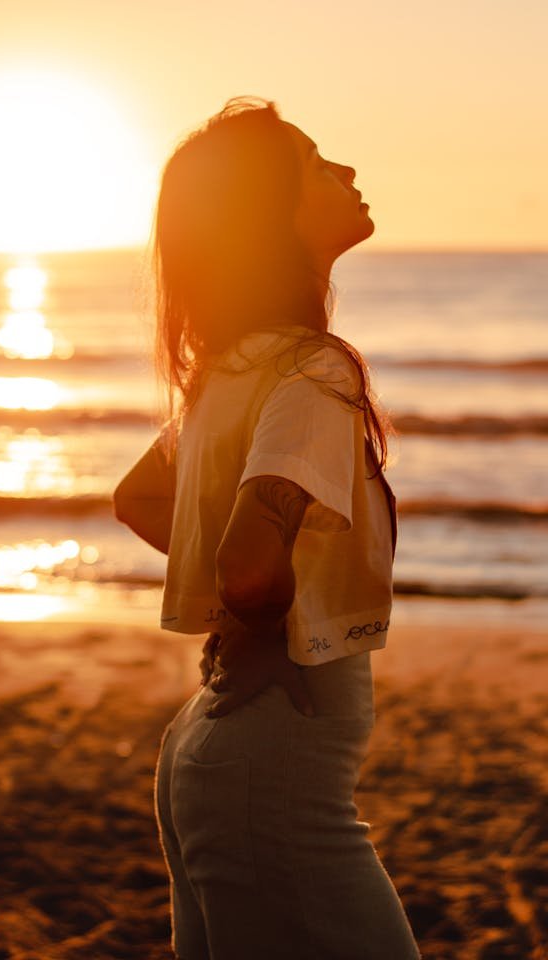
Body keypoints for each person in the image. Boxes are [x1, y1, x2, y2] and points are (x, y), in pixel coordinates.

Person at [113, 97, 421, 960]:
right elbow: (247, 567)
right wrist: (267, 621)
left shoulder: (230, 369)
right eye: (316, 163)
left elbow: (139, 499)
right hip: (274, 770)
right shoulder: (315, 370)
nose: (345, 171)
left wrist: (253, 604)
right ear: (269, 214)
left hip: (210, 751)